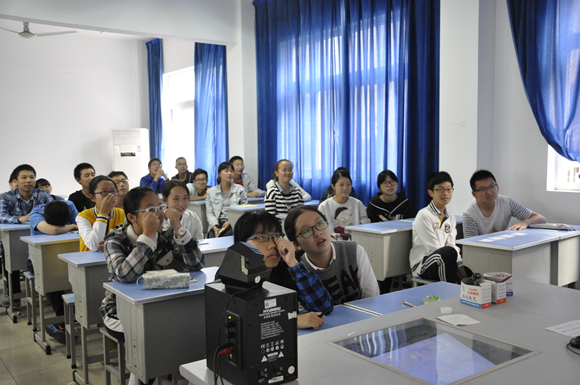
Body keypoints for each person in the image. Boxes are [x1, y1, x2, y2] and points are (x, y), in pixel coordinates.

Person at [99, 186, 204, 346]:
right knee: (148, 335)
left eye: (160, 207)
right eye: (150, 210)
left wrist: (178, 228)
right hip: (121, 312)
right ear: (132, 217)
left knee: (193, 327)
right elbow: (125, 276)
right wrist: (147, 236)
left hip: (162, 307)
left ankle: (176, 369)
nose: (159, 214)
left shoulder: (167, 233)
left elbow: (196, 265)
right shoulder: (116, 240)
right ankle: (141, 371)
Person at [234, 211, 331, 329]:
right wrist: (291, 321)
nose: (272, 245)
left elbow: (324, 307)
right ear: (242, 245)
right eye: (262, 237)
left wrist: (293, 263)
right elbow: (242, 323)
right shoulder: (232, 275)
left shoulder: (288, 268)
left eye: (275, 236)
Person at [284, 206, 379, 304]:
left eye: (320, 224)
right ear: (296, 245)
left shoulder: (354, 251)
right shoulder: (298, 272)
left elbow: (372, 298)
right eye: (306, 231)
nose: (317, 233)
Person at [0, 164, 53, 308]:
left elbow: (53, 213)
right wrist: (20, 219)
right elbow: (1, 216)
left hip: (41, 236)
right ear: (15, 181)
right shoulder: (6, 197)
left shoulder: (43, 195)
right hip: (14, 239)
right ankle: (13, 294)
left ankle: (49, 291)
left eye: (31, 177)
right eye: (24, 177)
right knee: (10, 256)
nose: (28, 180)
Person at [29, 200, 78, 344]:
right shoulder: (36, 213)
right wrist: (72, 226)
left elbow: (80, 223)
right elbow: (54, 230)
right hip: (37, 260)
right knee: (51, 277)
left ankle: (77, 313)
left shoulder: (68, 204)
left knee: (73, 275)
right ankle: (62, 319)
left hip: (66, 259)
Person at [410, 171, 468, 283]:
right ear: (430, 192)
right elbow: (433, 249)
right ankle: (448, 294)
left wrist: (463, 272)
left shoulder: (450, 217)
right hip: (423, 264)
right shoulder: (424, 215)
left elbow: (452, 246)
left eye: (448, 189)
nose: (445, 193)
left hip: (445, 259)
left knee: (460, 261)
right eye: (440, 190)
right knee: (446, 254)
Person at [463, 170, 547, 238]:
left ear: (497, 187)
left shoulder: (507, 202)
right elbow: (470, 245)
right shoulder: (470, 214)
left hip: (506, 248)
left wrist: (526, 222)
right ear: (474, 194)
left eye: (492, 186)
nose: (489, 192)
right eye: (482, 189)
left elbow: (541, 219)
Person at [77, 176, 126, 252]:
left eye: (113, 191)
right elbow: (93, 245)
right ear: (92, 197)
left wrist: (109, 245)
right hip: (89, 262)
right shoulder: (83, 217)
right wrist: (103, 213)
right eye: (104, 192)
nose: (110, 195)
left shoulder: (123, 213)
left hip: (115, 258)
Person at [317, 169, 369, 239]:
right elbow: (320, 231)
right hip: (332, 244)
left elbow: (366, 228)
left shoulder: (358, 204)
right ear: (333, 186)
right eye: (341, 185)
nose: (345, 188)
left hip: (355, 243)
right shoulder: (324, 206)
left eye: (348, 184)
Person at [206, 162, 248, 238]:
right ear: (219, 174)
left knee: (225, 236)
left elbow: (244, 210)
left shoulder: (240, 189)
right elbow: (209, 213)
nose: (229, 173)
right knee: (212, 237)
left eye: (231, 171)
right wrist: (215, 227)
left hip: (233, 223)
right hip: (216, 223)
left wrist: (230, 222)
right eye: (226, 171)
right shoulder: (211, 192)